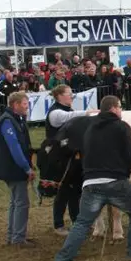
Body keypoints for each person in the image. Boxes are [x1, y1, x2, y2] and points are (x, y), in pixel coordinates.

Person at [53, 96, 131, 261]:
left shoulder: (90, 129)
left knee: (82, 223)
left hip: (90, 182)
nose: (121, 111)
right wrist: (125, 173)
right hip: (115, 180)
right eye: (120, 107)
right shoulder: (122, 127)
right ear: (113, 108)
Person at [46, 85, 98, 237]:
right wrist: (88, 113)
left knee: (75, 190)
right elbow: (70, 117)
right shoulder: (55, 113)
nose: (72, 97)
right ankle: (59, 224)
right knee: (62, 191)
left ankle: (76, 221)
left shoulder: (67, 109)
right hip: (59, 158)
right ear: (60, 96)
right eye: (69, 94)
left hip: (72, 157)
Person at [0, 91, 36, 248]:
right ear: (16, 105)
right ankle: (18, 238)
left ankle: (13, 235)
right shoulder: (8, 121)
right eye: (25, 104)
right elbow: (14, 146)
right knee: (22, 202)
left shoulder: (16, 120)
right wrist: (26, 168)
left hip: (12, 167)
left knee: (15, 202)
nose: (27, 107)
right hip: (13, 168)